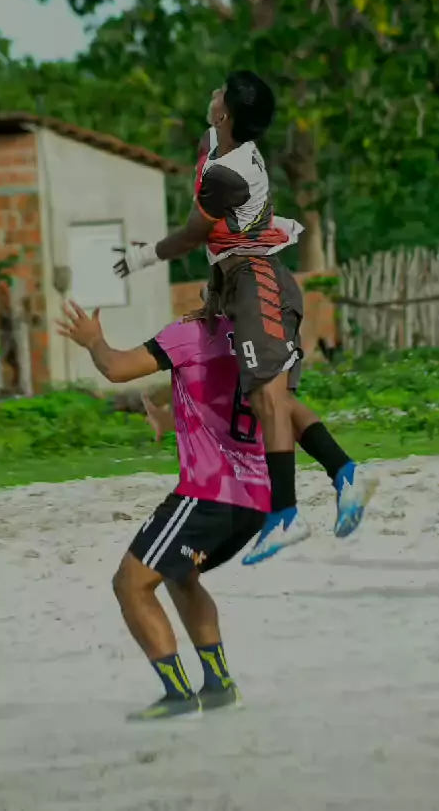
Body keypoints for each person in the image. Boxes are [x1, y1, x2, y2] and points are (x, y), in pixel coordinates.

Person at [113, 70, 376, 563]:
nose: (213, 92)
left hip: (258, 285)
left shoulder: (228, 173)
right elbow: (221, 242)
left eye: (220, 92)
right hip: (241, 286)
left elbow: (194, 235)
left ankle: (287, 514)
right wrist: (216, 295)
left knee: (267, 400)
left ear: (225, 112)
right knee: (275, 399)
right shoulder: (215, 144)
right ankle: (345, 472)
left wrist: (142, 256)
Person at [56, 299, 288, 719]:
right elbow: (219, 393)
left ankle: (178, 694)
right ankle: (219, 686)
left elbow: (117, 368)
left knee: (130, 583)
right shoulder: (260, 339)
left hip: (208, 495)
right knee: (180, 574)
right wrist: (172, 416)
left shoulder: (195, 332)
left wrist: (93, 341)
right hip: (255, 496)